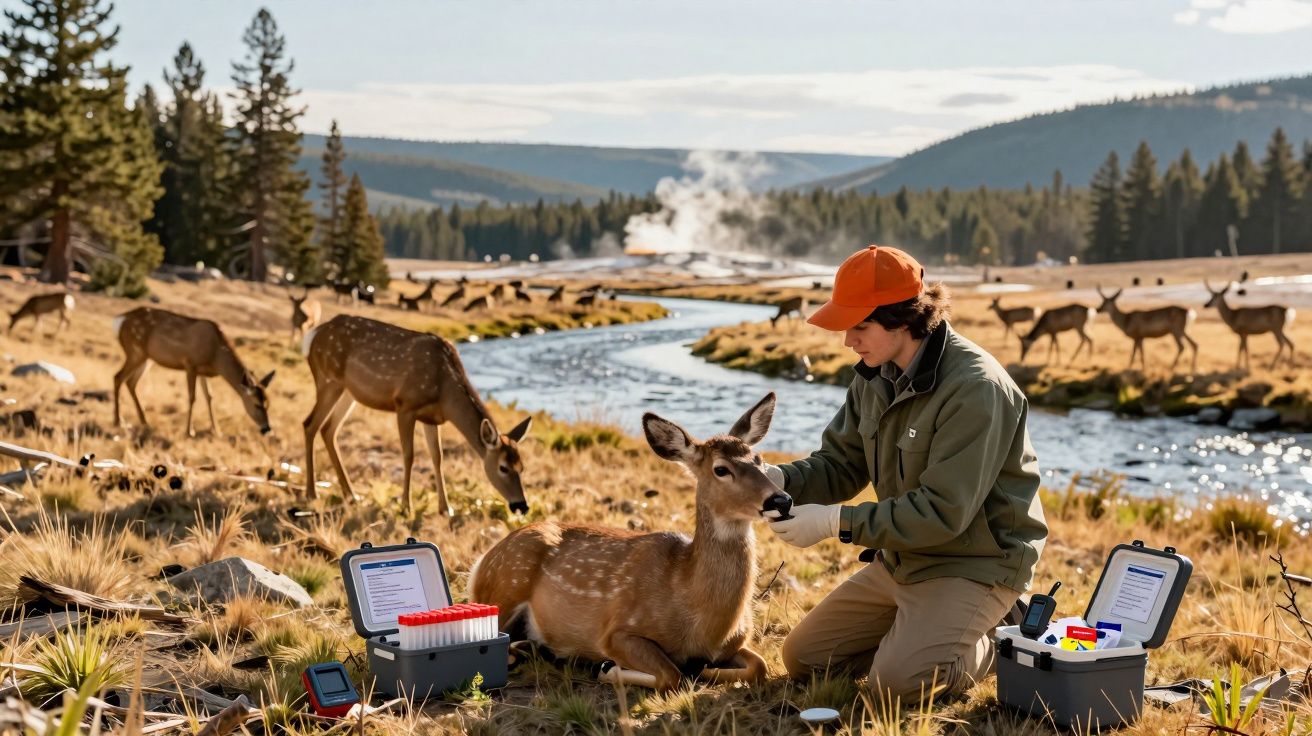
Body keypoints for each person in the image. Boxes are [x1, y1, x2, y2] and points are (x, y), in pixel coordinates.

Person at [765, 244, 1047, 705]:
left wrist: (836, 523)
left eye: (860, 326)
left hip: (975, 564)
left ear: (902, 317)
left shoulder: (976, 388)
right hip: (902, 556)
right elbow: (840, 463)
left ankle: (1002, 636)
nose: (848, 340)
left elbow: (942, 513)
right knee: (806, 659)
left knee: (895, 687)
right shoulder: (873, 374)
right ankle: (923, 633)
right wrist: (778, 479)